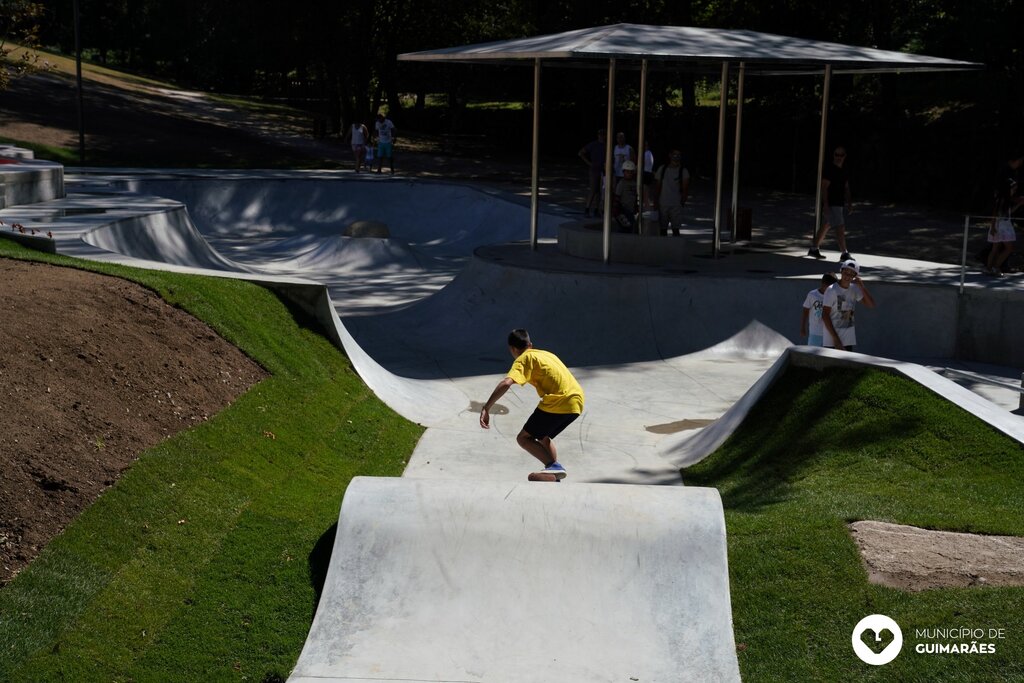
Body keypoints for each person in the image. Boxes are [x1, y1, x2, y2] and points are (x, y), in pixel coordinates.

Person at [479, 329, 585, 481]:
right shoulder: (546, 354)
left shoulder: (523, 359)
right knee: (543, 436)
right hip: (577, 401)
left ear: (512, 349)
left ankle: (553, 467)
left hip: (558, 401)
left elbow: (506, 382)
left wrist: (486, 407)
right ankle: (554, 475)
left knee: (523, 438)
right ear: (530, 344)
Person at [808, 146, 852, 260]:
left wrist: (849, 202)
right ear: (833, 155)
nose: (838, 157)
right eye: (836, 155)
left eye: (841, 155)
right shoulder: (830, 169)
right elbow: (824, 187)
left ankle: (814, 248)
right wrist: (826, 204)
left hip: (839, 202)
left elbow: (846, 187)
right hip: (832, 202)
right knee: (840, 227)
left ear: (845, 156)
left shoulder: (845, 169)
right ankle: (844, 253)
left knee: (826, 225)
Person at [822, 259, 876, 352]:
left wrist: (862, 287)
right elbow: (825, 315)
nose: (847, 276)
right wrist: (836, 339)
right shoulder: (831, 290)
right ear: (841, 271)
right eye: (846, 272)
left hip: (848, 340)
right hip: (832, 340)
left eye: (851, 273)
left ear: (855, 276)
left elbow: (871, 305)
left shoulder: (854, 289)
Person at [987, 176, 1019, 276]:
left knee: (995, 248)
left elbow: (1007, 214)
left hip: (1002, 225)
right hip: (1000, 227)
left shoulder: (1006, 200)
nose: (1014, 191)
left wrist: (1018, 205)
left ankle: (990, 268)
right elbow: (994, 214)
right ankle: (995, 267)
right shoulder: (1001, 200)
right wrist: (992, 227)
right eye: (1013, 189)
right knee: (1008, 248)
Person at [655, 149, 690, 236]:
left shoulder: (683, 171)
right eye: (674, 154)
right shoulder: (662, 169)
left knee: (676, 230)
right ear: (670, 155)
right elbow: (657, 187)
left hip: (676, 205)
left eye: (678, 155)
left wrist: (682, 202)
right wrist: (656, 201)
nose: (676, 157)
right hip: (663, 204)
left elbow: (685, 189)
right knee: (663, 230)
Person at [800, 272, 839, 347]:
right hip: (815, 333)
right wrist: (802, 327)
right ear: (823, 284)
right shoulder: (812, 295)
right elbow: (805, 311)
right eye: (829, 288)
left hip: (829, 334)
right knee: (812, 354)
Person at [578, 129, 607, 217]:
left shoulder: (606, 145)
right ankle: (587, 209)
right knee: (593, 189)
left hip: (603, 169)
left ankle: (596, 209)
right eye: (600, 135)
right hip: (594, 169)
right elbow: (580, 153)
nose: (601, 136)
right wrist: (589, 163)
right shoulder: (593, 144)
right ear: (598, 135)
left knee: (599, 191)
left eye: (603, 135)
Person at [613, 160, 639, 232]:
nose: (629, 174)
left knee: (630, 228)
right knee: (624, 228)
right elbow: (617, 197)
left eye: (631, 172)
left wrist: (636, 206)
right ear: (624, 172)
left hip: (631, 210)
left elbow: (635, 196)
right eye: (627, 172)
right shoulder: (621, 183)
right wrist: (616, 211)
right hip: (623, 210)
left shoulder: (634, 183)